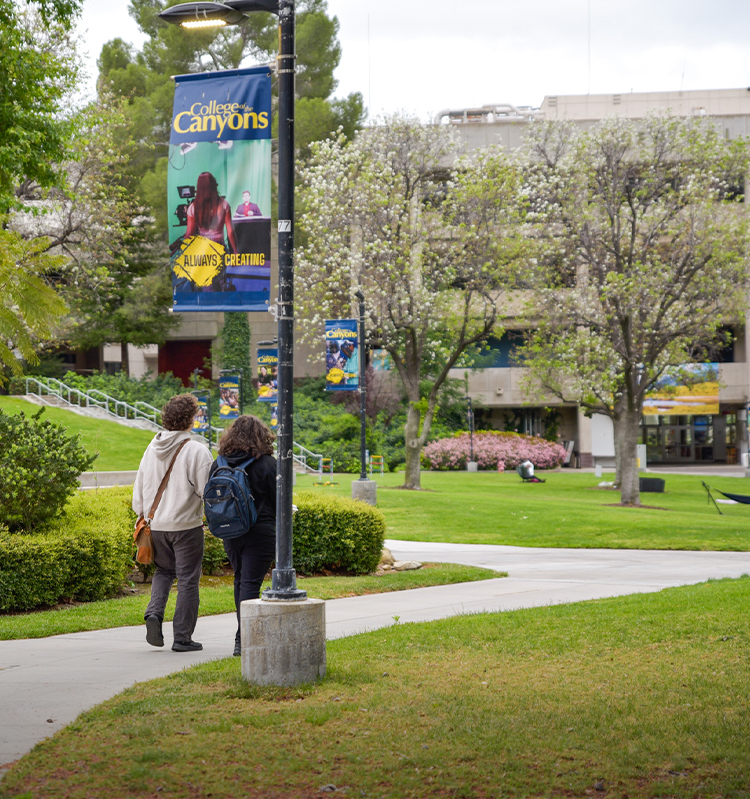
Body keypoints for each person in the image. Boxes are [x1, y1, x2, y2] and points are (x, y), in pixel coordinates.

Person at [133, 394, 213, 652]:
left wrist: (143, 513)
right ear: (190, 419)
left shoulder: (152, 446)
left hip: (154, 525)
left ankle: (154, 614)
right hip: (186, 527)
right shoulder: (197, 450)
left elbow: (140, 487)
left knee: (164, 572)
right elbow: (207, 492)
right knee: (188, 579)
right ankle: (182, 638)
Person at [209, 415, 277, 657]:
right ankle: (243, 637)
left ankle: (242, 634)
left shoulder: (220, 463)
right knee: (250, 583)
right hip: (261, 531)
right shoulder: (268, 464)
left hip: (231, 529)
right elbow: (279, 499)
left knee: (240, 580)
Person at [185, 172, 238, 292]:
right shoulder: (224, 205)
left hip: (203, 250)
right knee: (221, 283)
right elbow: (230, 232)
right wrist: (235, 252)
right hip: (219, 247)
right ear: (214, 184)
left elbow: (189, 235)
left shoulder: (192, 208)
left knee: (207, 284)